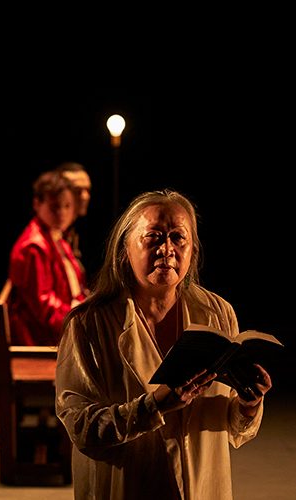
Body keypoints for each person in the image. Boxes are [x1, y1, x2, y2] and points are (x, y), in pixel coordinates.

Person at [55, 190, 270, 499]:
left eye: (178, 238)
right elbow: (80, 426)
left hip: (201, 485)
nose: (167, 249)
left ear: (193, 249)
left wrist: (249, 405)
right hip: (129, 485)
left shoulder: (217, 313)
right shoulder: (90, 324)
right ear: (125, 249)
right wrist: (152, 407)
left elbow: (230, 424)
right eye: (153, 237)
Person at [8, 170, 86, 346]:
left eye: (67, 206)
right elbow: (44, 309)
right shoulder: (33, 247)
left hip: (58, 322)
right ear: (37, 204)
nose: (62, 213)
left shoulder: (55, 235)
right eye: (55, 207)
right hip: (40, 337)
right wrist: (79, 321)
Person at [55, 161, 91, 263]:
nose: (85, 197)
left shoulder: (76, 232)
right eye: (77, 190)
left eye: (87, 190)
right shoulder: (48, 235)